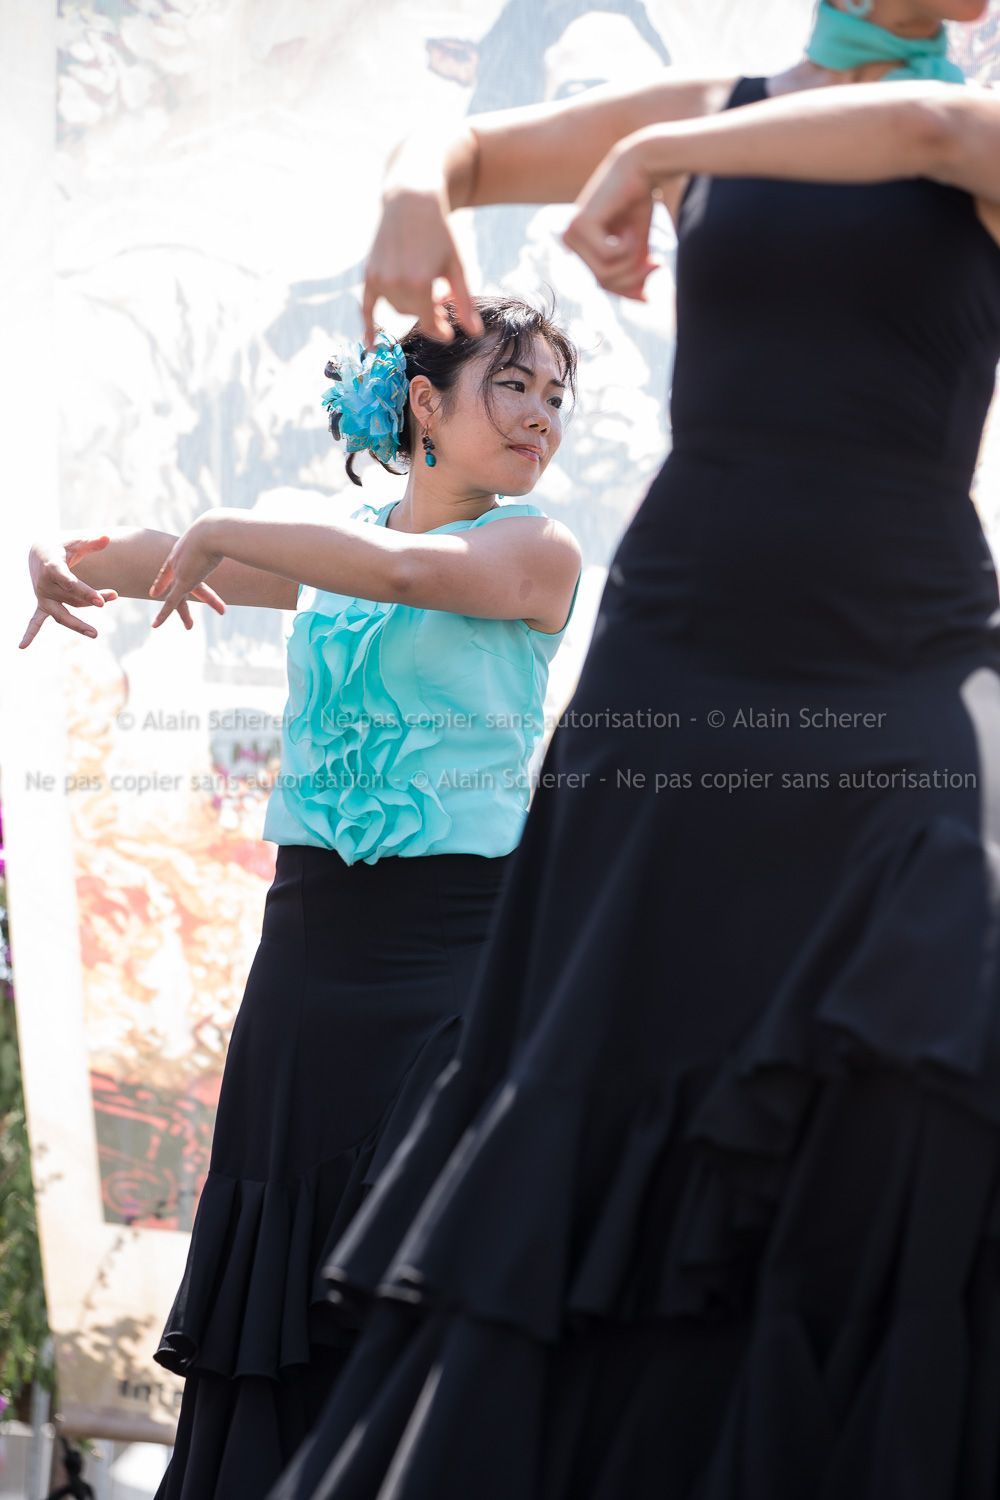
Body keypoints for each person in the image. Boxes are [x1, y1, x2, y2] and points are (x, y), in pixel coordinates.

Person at [263, 2, 1000, 1497]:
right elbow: (468, 152)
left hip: (904, 649)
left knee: (919, 1044)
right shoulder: (720, 102)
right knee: (618, 1056)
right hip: (688, 633)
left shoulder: (958, 125)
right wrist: (415, 176)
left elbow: (927, 131)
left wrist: (660, 151)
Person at [19, 294, 582, 1499]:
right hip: (311, 951)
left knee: (414, 1254)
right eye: (513, 384)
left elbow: (401, 569)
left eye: (554, 395)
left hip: (457, 954)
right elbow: (169, 555)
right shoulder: (338, 546)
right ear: (424, 403)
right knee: (285, 1264)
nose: (541, 415)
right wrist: (69, 559)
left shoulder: (534, 551)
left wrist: (226, 527)